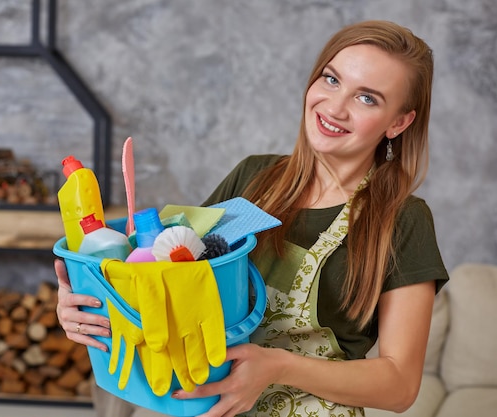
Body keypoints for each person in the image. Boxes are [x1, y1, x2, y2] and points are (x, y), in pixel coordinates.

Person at [55, 19, 449, 417]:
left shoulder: (400, 219)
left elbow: (400, 386)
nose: (335, 107)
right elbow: (166, 278)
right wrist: (89, 303)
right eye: (331, 80)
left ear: (398, 122)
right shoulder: (255, 178)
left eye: (367, 99)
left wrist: (277, 366)